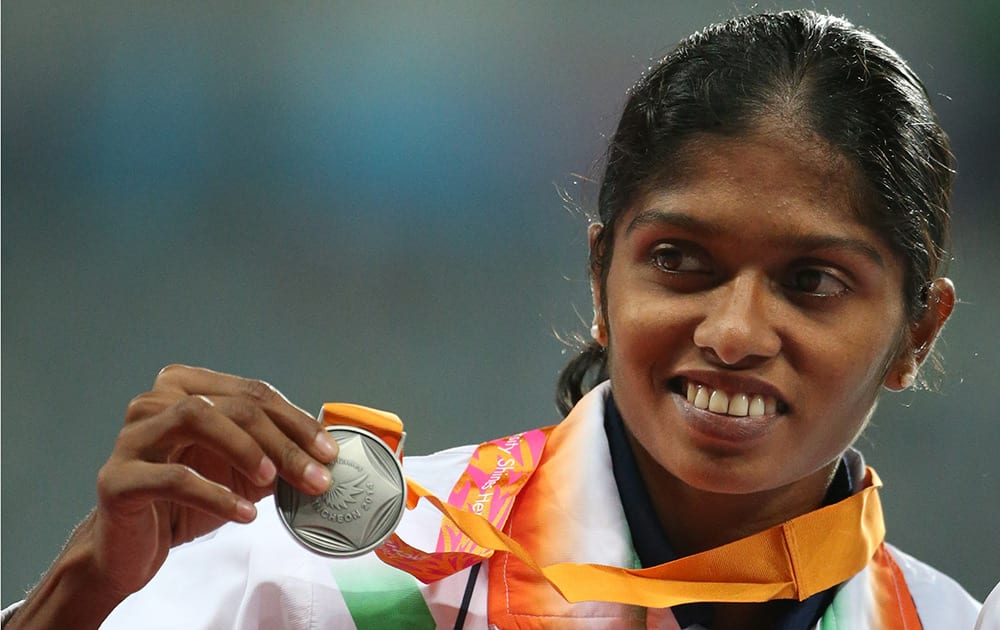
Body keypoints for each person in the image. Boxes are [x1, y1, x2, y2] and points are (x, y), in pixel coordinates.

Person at [3, 9, 984, 629]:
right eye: (679, 262)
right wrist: (83, 591)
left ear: (916, 333)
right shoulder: (339, 587)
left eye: (812, 281)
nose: (732, 330)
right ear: (602, 280)